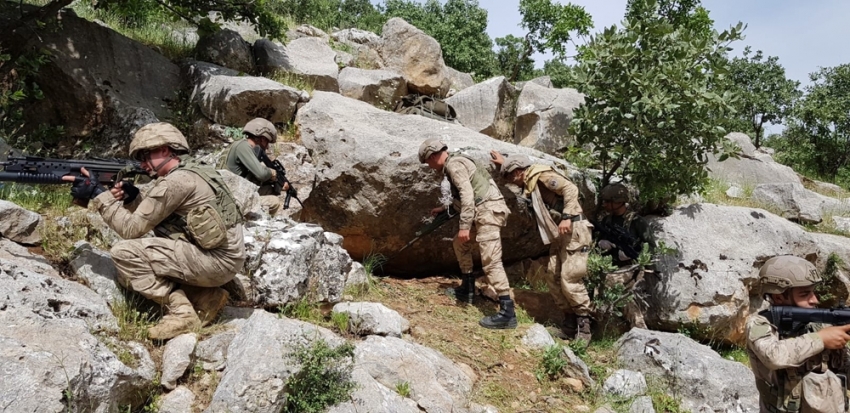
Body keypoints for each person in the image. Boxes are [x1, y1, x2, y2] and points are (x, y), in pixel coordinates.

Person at [67, 122, 246, 340]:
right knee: (142, 265)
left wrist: (98, 194)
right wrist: (134, 198)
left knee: (126, 254)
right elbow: (168, 217)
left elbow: (131, 229)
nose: (143, 164)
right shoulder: (196, 172)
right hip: (225, 259)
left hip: (216, 263)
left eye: (146, 155)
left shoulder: (175, 182)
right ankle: (204, 296)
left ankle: (182, 314)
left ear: (165, 150)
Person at [491, 152, 594, 342]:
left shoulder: (542, 175)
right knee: (553, 277)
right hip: (560, 235)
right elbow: (517, 168)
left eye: (511, 176)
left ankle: (584, 327)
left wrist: (566, 217)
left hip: (574, 230)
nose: (512, 182)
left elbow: (570, 189)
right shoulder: (531, 180)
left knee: (570, 278)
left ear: (519, 172)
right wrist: (504, 163)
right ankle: (569, 325)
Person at [418, 138, 516, 329]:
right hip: (483, 210)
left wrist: (464, 226)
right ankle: (468, 288)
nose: (429, 166)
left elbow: (468, 196)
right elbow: (467, 196)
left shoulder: (454, 165)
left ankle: (507, 312)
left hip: (488, 212)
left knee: (491, 260)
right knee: (459, 243)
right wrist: (445, 208)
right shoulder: (455, 162)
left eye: (428, 161)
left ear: (434, 155)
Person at [746, 255, 850, 412]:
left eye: (813, 292)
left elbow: (844, 368)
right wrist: (821, 339)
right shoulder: (760, 324)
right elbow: (773, 356)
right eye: (805, 294)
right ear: (779, 297)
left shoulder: (816, 324)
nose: (814, 300)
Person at [595, 183, 656, 328]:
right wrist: (602, 244)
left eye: (608, 201)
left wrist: (634, 256)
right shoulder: (607, 220)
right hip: (611, 265)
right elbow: (599, 240)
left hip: (632, 267)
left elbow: (651, 248)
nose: (604, 204)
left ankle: (639, 326)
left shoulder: (637, 222)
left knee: (611, 282)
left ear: (618, 202)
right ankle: (602, 326)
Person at [221, 117, 284, 215]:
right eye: (267, 141)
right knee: (274, 201)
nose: (267, 146)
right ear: (262, 139)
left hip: (233, 192)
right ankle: (260, 225)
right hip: (232, 197)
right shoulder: (243, 146)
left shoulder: (241, 146)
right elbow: (261, 174)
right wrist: (272, 172)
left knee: (269, 190)